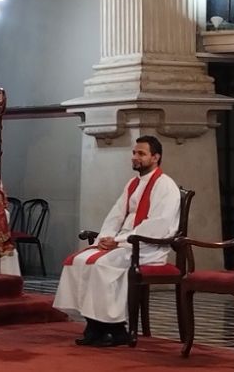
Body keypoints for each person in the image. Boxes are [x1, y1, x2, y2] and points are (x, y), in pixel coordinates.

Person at [53, 136, 180, 347]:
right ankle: (94, 324)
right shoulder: (133, 183)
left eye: (141, 154)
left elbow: (159, 224)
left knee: (103, 265)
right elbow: (116, 215)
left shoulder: (166, 186)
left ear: (156, 157)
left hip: (148, 246)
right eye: (134, 153)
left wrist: (120, 241)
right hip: (125, 242)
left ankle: (116, 329)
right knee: (78, 260)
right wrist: (106, 237)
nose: (135, 157)